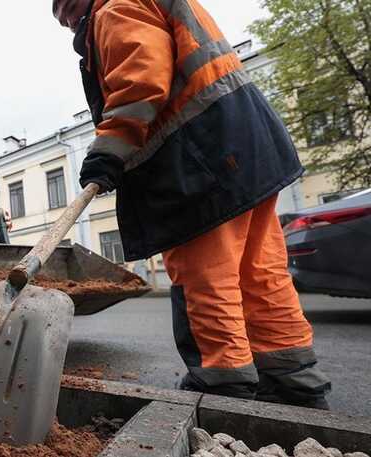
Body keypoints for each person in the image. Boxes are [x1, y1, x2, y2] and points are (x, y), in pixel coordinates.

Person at [53, 0, 331, 408]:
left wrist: (108, 150)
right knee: (261, 273)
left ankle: (222, 388)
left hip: (199, 161)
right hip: (248, 150)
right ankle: (293, 381)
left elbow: (141, 77)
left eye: (72, 18)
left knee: (206, 278)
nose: (74, 28)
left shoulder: (113, 10)